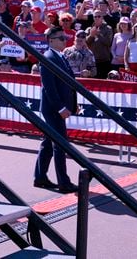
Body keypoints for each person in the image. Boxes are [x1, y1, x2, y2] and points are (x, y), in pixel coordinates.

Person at [33, 27, 79, 194]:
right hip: (53, 109)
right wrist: (61, 107)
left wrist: (73, 104)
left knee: (48, 143)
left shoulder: (60, 56)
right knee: (60, 144)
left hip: (58, 107)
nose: (64, 41)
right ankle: (63, 182)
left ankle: (40, 177)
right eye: (60, 38)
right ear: (51, 40)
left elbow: (69, 83)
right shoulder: (48, 58)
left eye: (64, 38)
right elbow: (49, 88)